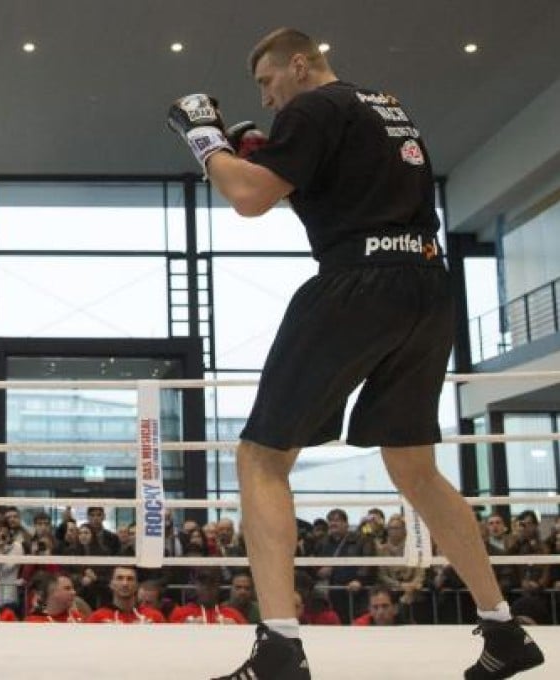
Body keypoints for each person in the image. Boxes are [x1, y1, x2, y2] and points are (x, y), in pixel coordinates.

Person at [166, 27, 544, 680]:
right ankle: (505, 631)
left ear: (302, 64)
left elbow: (249, 197)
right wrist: (268, 159)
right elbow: (348, 201)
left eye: (268, 80)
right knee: (414, 466)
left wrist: (208, 140)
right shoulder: (384, 105)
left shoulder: (315, 105)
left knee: (261, 455)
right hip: (428, 287)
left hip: (356, 285)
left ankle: (280, 648)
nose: (268, 95)